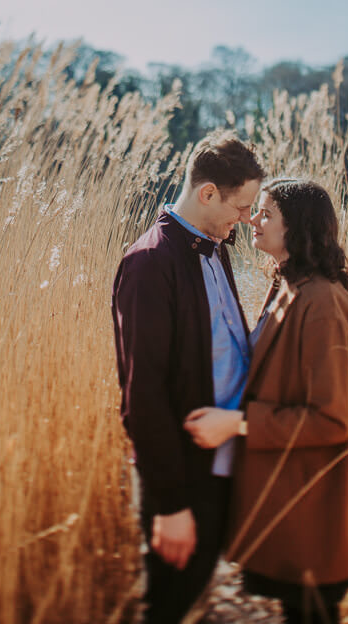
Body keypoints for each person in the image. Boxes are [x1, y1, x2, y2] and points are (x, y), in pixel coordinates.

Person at [184, 178, 348, 624]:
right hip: (289, 507)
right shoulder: (288, 285)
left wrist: (237, 424)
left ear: (298, 227)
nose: (254, 221)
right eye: (256, 212)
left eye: (267, 214)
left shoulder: (322, 303)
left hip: (311, 509)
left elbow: (332, 420)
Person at [111, 132, 265, 624]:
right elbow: (143, 394)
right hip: (181, 477)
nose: (248, 218)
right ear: (208, 193)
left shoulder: (215, 249)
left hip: (218, 465)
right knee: (168, 606)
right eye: (241, 206)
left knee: (191, 594)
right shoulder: (150, 263)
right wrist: (171, 506)